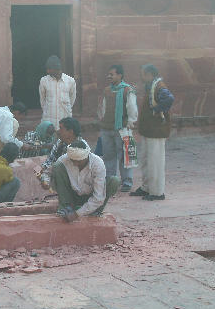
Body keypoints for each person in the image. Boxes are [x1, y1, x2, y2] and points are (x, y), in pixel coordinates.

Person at [130, 64, 174, 201]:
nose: (141, 77)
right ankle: (146, 187)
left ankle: (157, 192)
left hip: (156, 131)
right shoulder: (152, 86)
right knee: (146, 160)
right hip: (149, 131)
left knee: (155, 162)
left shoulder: (159, 86)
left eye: (143, 74)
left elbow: (169, 99)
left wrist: (157, 110)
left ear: (149, 74)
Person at [50, 140, 121, 221]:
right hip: (73, 196)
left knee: (114, 181)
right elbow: (54, 184)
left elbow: (98, 197)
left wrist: (77, 214)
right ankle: (66, 208)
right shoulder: (63, 161)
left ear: (87, 156)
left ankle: (95, 212)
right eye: (73, 161)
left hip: (90, 196)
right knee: (57, 167)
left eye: (79, 161)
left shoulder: (97, 163)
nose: (75, 164)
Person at [97, 64, 138, 192]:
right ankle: (111, 181)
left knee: (124, 157)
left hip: (122, 129)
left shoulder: (128, 90)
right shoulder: (107, 90)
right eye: (108, 74)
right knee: (108, 156)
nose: (109, 76)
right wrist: (102, 120)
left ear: (120, 75)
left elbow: (132, 108)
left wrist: (130, 122)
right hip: (107, 128)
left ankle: (127, 181)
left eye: (112, 74)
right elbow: (102, 108)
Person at [39, 117, 89, 189]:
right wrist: (44, 175)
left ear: (70, 132)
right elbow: (50, 160)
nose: (58, 131)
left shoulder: (82, 147)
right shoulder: (60, 142)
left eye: (61, 128)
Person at [39, 55, 76, 130]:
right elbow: (42, 100)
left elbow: (72, 99)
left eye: (49, 69)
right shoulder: (44, 81)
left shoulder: (70, 81)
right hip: (49, 122)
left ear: (56, 69)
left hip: (65, 122)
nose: (47, 71)